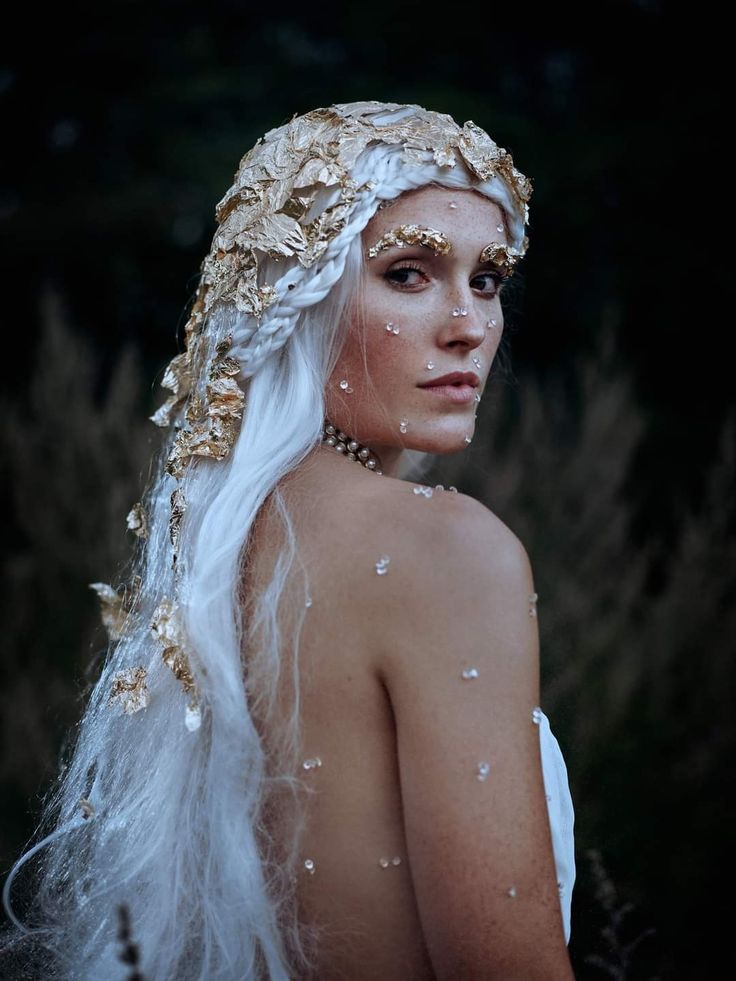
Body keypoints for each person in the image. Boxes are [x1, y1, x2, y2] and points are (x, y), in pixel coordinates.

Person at [1, 100, 576, 979]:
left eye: (488, 279)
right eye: (410, 273)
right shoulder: (448, 549)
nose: (468, 323)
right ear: (296, 292)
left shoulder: (225, 539)